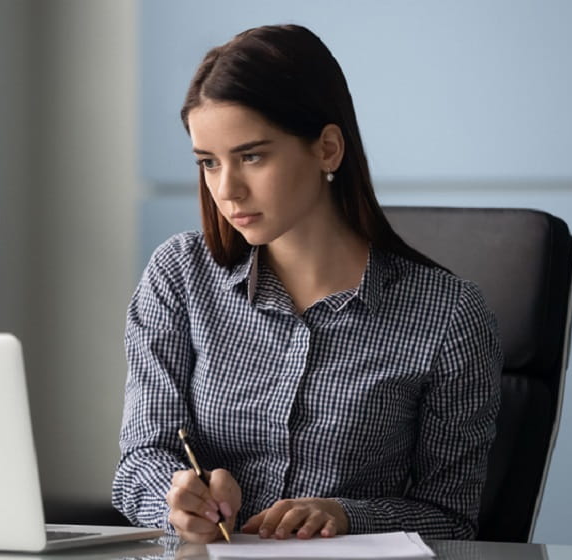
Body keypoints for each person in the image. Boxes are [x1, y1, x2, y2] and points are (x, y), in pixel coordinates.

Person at [112, 24, 502, 544]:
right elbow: (139, 460)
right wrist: (177, 498)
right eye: (209, 162)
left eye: (252, 156)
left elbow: (452, 520)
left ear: (327, 149)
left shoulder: (450, 314)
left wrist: (346, 517)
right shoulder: (179, 276)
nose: (227, 190)